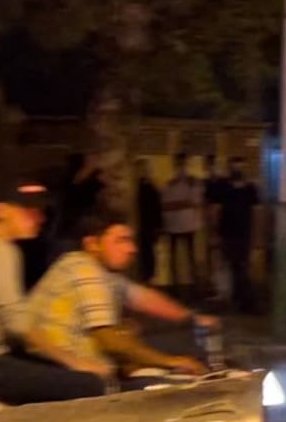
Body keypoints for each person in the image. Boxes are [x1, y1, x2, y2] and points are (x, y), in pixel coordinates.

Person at [0, 172, 105, 406]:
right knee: (89, 385)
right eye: (27, 210)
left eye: (40, 211)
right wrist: (74, 361)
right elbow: (18, 324)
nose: (38, 218)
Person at [26, 211, 214, 380]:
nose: (132, 249)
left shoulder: (94, 269)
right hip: (63, 370)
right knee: (174, 358)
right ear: (92, 244)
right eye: (121, 240)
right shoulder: (85, 271)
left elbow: (142, 297)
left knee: (147, 336)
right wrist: (172, 362)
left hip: (78, 363)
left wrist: (192, 318)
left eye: (130, 240)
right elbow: (111, 342)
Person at [208, 157, 261, 312]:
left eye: (240, 166)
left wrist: (257, 236)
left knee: (241, 267)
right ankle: (237, 300)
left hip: (244, 234)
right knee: (229, 267)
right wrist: (214, 232)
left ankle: (243, 300)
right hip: (226, 233)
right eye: (234, 166)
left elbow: (256, 212)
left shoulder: (250, 188)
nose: (237, 170)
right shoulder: (222, 186)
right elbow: (215, 210)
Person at [162, 153, 206, 293]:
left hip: (189, 225)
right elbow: (166, 205)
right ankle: (175, 287)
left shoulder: (193, 182)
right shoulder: (170, 184)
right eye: (179, 164)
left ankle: (193, 286)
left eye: (183, 163)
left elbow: (196, 203)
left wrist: (182, 203)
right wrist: (184, 203)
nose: (182, 167)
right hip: (173, 225)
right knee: (174, 258)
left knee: (191, 256)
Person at [133, 159, 164, 286]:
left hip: (147, 225)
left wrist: (157, 226)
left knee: (148, 251)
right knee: (145, 251)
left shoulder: (149, 188)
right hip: (143, 224)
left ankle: (149, 277)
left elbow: (156, 208)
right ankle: (146, 277)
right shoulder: (142, 187)